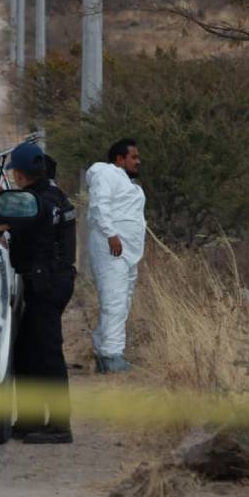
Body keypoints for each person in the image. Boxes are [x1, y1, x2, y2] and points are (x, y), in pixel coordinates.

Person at [5, 142, 77, 444]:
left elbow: (16, 229)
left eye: (15, 173)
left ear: (22, 174)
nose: (13, 178)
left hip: (46, 283)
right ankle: (30, 419)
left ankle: (60, 425)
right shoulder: (55, 196)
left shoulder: (36, 202)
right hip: (52, 280)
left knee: (46, 354)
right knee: (26, 351)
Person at [86, 138, 145, 374]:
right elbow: (100, 206)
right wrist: (111, 234)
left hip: (126, 252)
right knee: (114, 301)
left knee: (122, 301)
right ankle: (112, 355)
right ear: (120, 159)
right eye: (134, 157)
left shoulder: (123, 180)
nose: (138, 161)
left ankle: (104, 352)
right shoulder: (107, 174)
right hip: (112, 250)